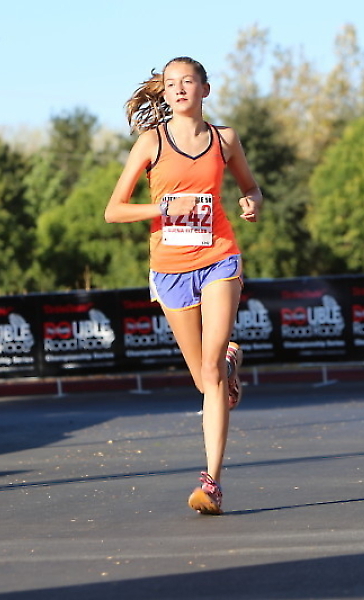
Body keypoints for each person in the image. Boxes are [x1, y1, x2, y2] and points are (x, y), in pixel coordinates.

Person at [105, 56, 262, 515]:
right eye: (171, 83)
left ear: (204, 90)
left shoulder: (224, 139)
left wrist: (251, 203)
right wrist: (163, 210)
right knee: (204, 379)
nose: (178, 89)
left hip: (218, 256)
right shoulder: (151, 142)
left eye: (187, 82)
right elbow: (114, 210)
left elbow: (251, 188)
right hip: (169, 268)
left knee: (209, 373)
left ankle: (211, 484)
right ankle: (229, 363)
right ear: (165, 91)